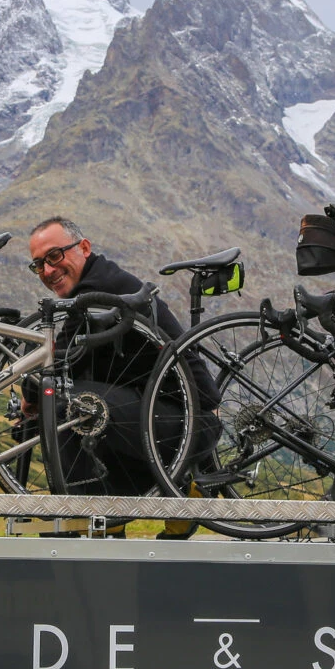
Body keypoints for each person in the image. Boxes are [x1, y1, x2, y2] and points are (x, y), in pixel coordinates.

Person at [27, 217, 220, 537]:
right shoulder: (99, 280)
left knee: (66, 404)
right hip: (163, 420)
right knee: (81, 403)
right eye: (38, 264)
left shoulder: (97, 291)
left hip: (187, 426)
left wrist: (29, 393)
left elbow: (57, 366)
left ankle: (88, 520)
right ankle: (107, 520)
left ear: (84, 248)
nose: (47, 270)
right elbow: (70, 364)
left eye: (54, 256)